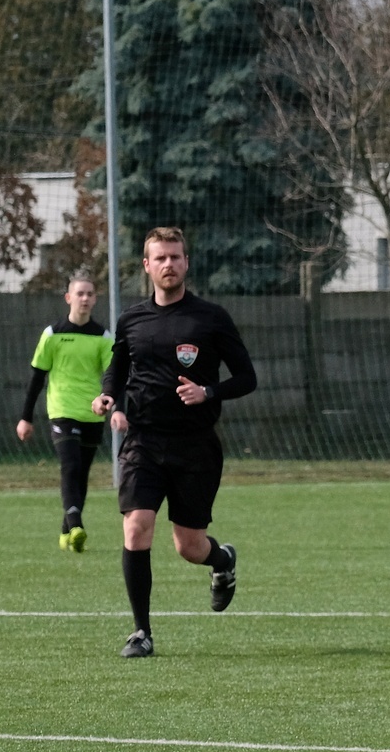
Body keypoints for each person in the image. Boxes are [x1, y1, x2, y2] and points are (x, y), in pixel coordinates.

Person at [91, 227, 256, 659]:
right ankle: (141, 632)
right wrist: (108, 395)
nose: (169, 264)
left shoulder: (210, 318)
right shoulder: (131, 320)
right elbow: (118, 369)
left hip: (195, 446)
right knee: (136, 526)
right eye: (160, 258)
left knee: (189, 546)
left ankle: (222, 562)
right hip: (143, 441)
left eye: (175, 257)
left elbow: (247, 378)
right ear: (147, 266)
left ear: (186, 263)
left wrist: (209, 392)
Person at [16, 271, 114, 551]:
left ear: (95, 299)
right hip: (61, 410)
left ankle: (66, 533)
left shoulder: (102, 337)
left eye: (90, 294)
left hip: (92, 413)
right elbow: (37, 378)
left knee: (81, 473)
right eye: (79, 293)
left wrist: (114, 405)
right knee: (70, 466)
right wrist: (25, 417)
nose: (85, 298)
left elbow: (112, 376)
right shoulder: (53, 334)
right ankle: (75, 523)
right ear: (68, 298)